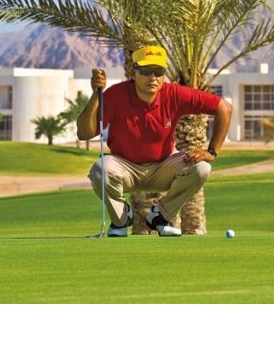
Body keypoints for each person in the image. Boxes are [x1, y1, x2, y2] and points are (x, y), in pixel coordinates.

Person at [77, 44, 232, 237]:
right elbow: (84, 133)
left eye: (158, 72)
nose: (153, 77)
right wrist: (96, 95)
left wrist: (211, 151)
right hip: (124, 167)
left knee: (202, 168)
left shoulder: (174, 94)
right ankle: (121, 219)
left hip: (163, 166)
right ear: (134, 72)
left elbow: (224, 108)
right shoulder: (116, 95)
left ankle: (161, 216)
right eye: (146, 71)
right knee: (100, 169)